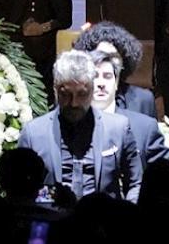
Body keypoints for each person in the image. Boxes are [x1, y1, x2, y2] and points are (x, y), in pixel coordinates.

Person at [18, 50, 143, 202]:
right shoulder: (33, 133)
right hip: (53, 221)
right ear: (55, 89)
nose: (74, 103)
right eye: (66, 94)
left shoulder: (118, 128)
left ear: (92, 89)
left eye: (82, 94)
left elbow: (136, 183)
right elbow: (20, 192)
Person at [89, 50, 169, 168]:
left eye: (107, 76)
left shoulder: (144, 127)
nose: (101, 83)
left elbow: (166, 177)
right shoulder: (68, 126)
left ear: (116, 83)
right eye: (95, 76)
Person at [73, 21, 157, 117]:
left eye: (113, 56)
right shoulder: (73, 98)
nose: (107, 61)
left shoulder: (143, 100)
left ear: (124, 59)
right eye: (101, 55)